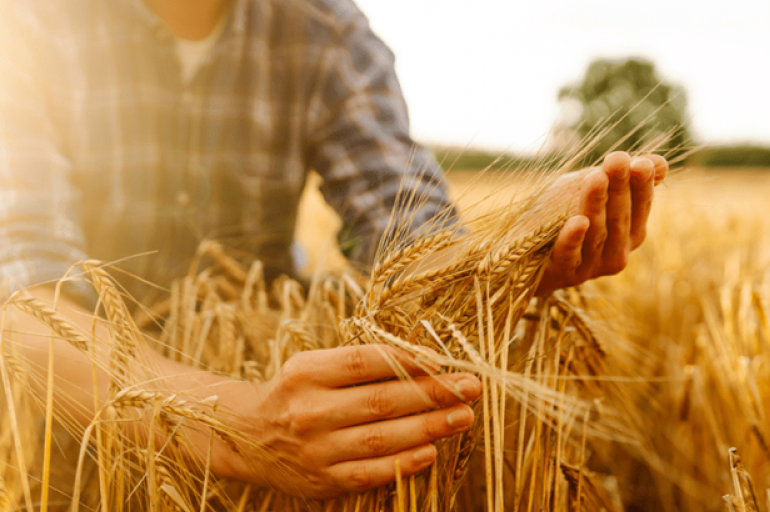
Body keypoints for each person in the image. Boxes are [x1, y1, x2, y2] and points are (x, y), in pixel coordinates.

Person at [0, 0, 667, 499]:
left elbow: (407, 234)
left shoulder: (325, 27)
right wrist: (237, 426)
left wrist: (510, 256)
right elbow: (22, 302)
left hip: (266, 407)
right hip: (56, 439)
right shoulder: (26, 23)